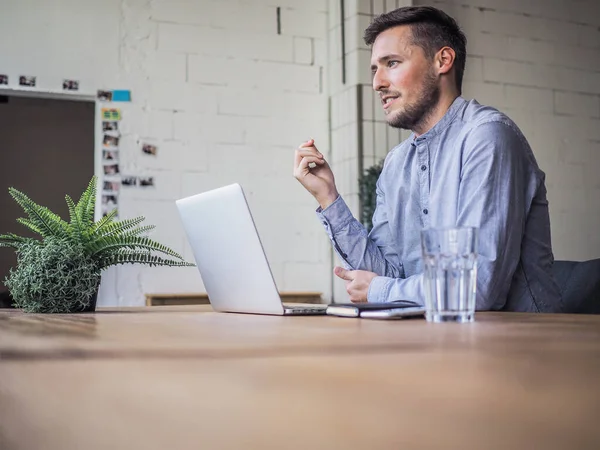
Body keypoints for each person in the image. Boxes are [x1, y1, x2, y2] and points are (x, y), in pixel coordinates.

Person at [293, 6, 561, 312]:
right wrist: (328, 197)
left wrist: (379, 288)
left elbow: (475, 289)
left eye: (391, 63)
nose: (377, 83)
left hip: (520, 347)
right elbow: (389, 276)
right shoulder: (395, 164)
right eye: (374, 69)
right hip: (438, 341)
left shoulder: (487, 137)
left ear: (442, 61)